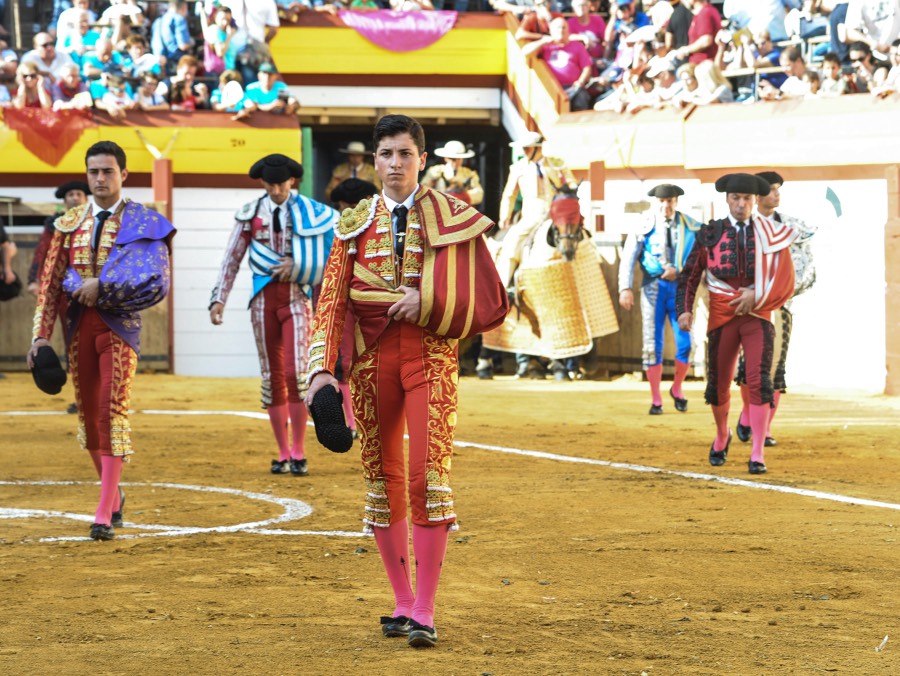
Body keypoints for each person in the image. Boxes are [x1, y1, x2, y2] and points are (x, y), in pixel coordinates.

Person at [306, 114, 508, 648]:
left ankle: (425, 607)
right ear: (375, 160)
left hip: (431, 356)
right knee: (382, 479)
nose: (394, 164)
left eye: (404, 154)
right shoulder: (351, 225)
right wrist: (322, 371)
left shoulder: (452, 215)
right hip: (372, 363)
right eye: (386, 155)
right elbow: (330, 302)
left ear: (422, 158)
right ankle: (400, 601)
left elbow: (490, 300)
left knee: (428, 477)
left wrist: (430, 301)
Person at [26, 140, 176, 540]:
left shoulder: (143, 220)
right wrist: (40, 336)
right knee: (90, 418)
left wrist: (102, 286)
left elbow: (156, 278)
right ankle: (115, 496)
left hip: (119, 327)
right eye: (94, 171)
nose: (100, 178)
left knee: (112, 410)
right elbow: (51, 282)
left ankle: (103, 512)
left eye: (108, 171)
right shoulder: (68, 222)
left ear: (123, 175)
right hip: (78, 330)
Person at [210, 154, 339, 477]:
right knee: (272, 377)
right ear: (263, 184)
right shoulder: (250, 214)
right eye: (270, 185)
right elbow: (231, 259)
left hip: (297, 298)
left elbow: (331, 257)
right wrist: (218, 299)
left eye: (281, 184)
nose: (277, 190)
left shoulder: (312, 212)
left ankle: (299, 451)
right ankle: (283, 451)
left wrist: (297, 267)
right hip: (262, 301)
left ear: (292, 181)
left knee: (296, 373)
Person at [676, 173, 797, 475]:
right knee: (718, 386)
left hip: (757, 315)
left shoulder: (771, 232)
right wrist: (684, 310)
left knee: (759, 382)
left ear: (756, 200)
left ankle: (757, 452)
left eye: (747, 198)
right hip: (722, 316)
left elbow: (784, 276)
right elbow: (690, 275)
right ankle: (722, 435)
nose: (741, 204)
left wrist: (757, 293)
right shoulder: (710, 233)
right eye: (735, 198)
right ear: (727, 200)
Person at [734, 171, 817, 448]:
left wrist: (780, 292)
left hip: (781, 307)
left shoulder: (793, 228)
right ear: (758, 196)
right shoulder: (743, 229)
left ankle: (765, 427)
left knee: (776, 370)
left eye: (779, 189)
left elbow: (807, 269)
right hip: (750, 309)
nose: (777, 194)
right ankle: (748, 414)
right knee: (749, 370)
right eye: (771, 190)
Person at [619, 184, 700, 415]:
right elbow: (628, 258)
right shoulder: (643, 224)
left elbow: (699, 257)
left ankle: (677, 387)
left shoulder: (690, 225)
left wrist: (681, 270)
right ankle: (656, 400)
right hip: (653, 287)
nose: (666, 205)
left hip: (679, 289)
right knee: (652, 345)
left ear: (676, 202)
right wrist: (625, 287)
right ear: (656, 202)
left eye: (671, 201)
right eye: (662, 201)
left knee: (687, 343)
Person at [420, 140, 484, 207]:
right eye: (453, 159)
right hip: (439, 208)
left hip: (462, 210)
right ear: (446, 158)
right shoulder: (435, 171)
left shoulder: (469, 173)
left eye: (459, 159)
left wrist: (462, 196)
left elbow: (479, 194)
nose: (456, 162)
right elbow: (422, 191)